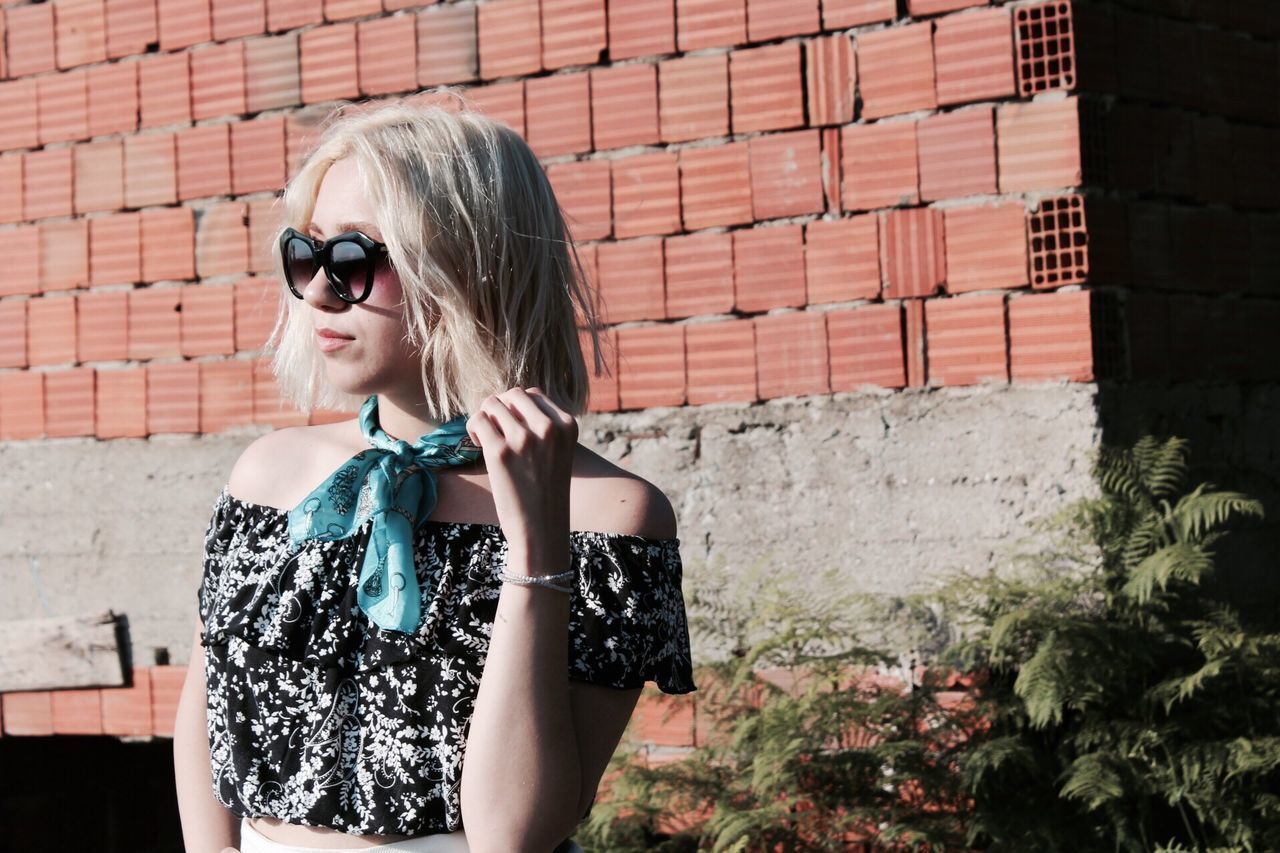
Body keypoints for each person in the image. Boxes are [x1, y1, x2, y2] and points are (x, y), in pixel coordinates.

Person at [173, 96, 696, 853]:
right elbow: (206, 708)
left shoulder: (608, 516)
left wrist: (537, 549)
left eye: (356, 258)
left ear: (467, 266)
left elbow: (512, 833)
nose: (318, 289)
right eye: (307, 252)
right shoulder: (271, 475)